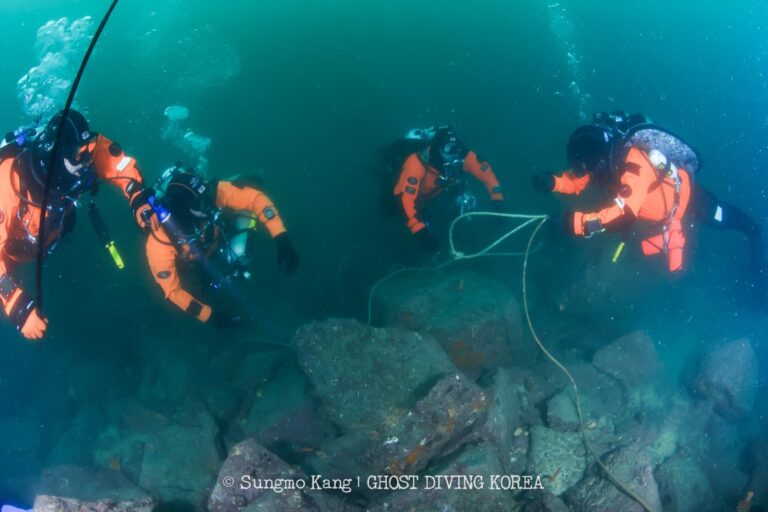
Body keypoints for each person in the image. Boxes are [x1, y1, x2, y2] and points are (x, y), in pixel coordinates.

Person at [534, 111, 765, 297]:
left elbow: (623, 214)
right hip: (654, 214)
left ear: (598, 157)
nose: (587, 172)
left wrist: (573, 223)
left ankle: (754, 231)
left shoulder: (633, 163)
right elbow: (577, 182)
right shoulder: (602, 164)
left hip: (687, 200)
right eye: (583, 167)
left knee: (722, 216)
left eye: (588, 165)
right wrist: (553, 182)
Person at [0, 110, 151, 340]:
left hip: (56, 231)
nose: (88, 163)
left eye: (88, 153)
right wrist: (17, 305)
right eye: (80, 156)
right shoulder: (7, 185)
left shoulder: (80, 151)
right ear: (57, 154)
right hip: (13, 254)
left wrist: (137, 195)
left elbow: (115, 161)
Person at [143, 166, 299, 326]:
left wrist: (281, 236)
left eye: (207, 196)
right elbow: (172, 291)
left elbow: (256, 199)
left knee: (241, 249)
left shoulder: (213, 194)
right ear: (184, 210)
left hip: (214, 240)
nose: (210, 205)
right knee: (196, 291)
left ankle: (238, 181)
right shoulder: (159, 241)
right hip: (193, 263)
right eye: (201, 203)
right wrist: (210, 316)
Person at [386, 126, 506, 253]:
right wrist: (420, 231)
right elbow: (405, 199)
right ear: (437, 149)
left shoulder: (461, 155)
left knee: (452, 209)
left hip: (440, 190)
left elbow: (486, 174)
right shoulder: (415, 164)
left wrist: (497, 200)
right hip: (415, 193)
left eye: (455, 148)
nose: (454, 153)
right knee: (388, 209)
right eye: (448, 148)